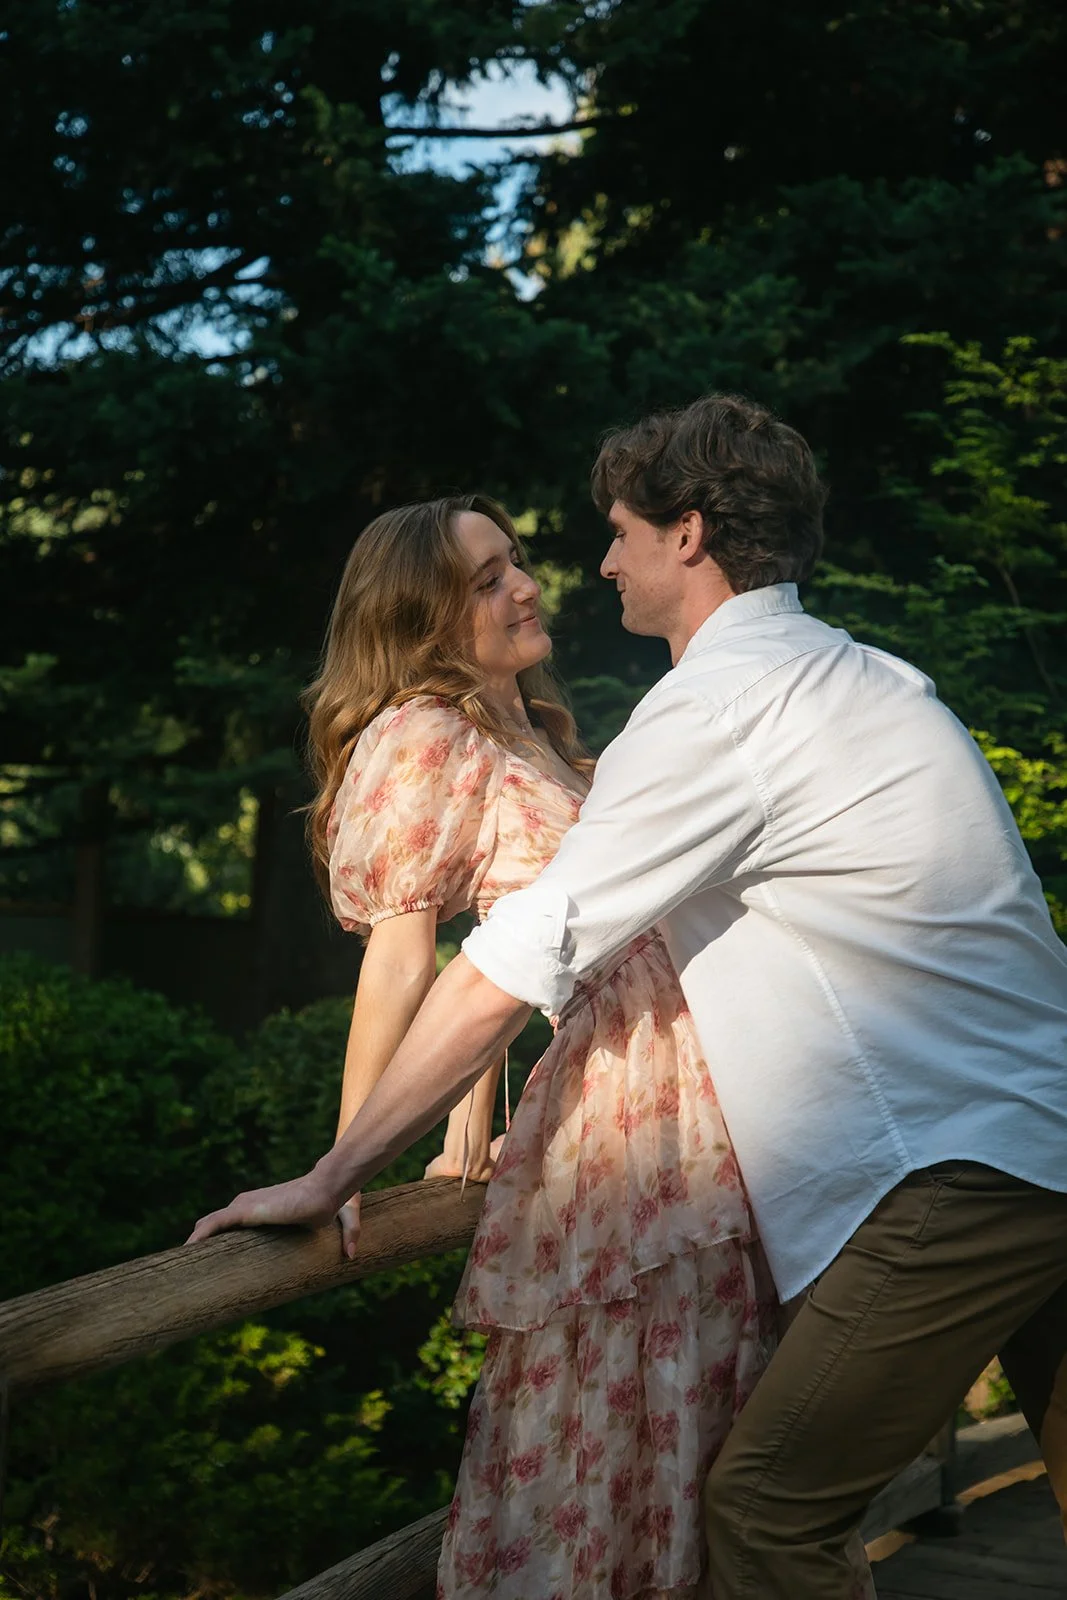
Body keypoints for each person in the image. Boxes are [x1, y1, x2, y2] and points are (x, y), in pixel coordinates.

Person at [190, 394, 1067, 1600]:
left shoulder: (709, 713)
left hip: (957, 1172)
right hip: (1001, 1140)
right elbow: (449, 944)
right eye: (496, 567)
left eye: (614, 533)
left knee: (763, 1509)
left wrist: (333, 1175)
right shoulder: (871, 678)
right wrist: (438, 1122)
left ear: (689, 536)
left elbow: (518, 951)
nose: (589, 564)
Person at [274, 491, 791, 1599]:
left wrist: (468, 1129)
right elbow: (407, 955)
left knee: (691, 1414)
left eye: (514, 562)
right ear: (418, 618)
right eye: (485, 578)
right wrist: (345, 1167)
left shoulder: (533, 735)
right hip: (620, 1122)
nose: (524, 585)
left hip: (686, 1108)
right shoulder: (421, 731)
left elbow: (508, 939)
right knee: (609, 1411)